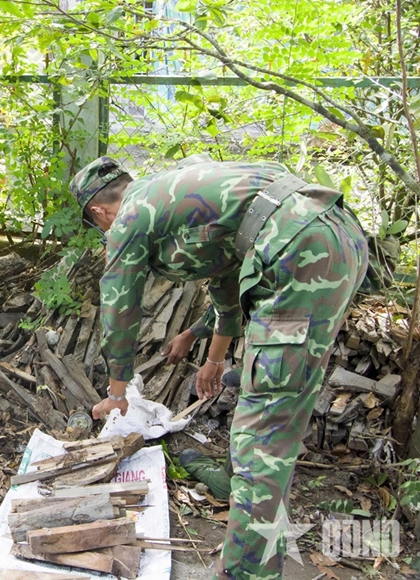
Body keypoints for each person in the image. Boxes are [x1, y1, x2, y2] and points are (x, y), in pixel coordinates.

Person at [70, 156, 368, 579]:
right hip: (334, 233)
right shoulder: (174, 190)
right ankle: (234, 484)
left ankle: (245, 572)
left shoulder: (129, 217)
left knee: (265, 430)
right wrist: (212, 356)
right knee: (270, 392)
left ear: (99, 211)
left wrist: (118, 393)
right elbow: (227, 280)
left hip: (299, 249)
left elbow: (120, 305)